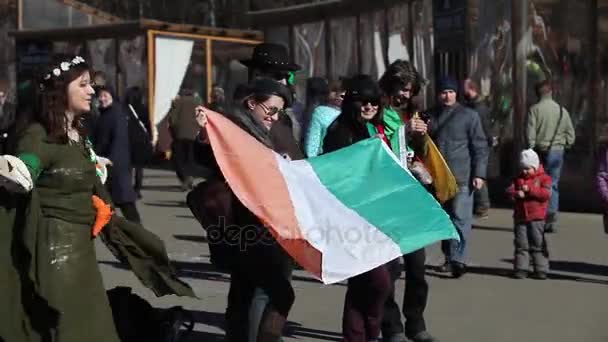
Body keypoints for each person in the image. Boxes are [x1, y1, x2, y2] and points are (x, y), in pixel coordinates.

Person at [0, 55, 121, 342]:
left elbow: (78, 166)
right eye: (84, 84)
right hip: (55, 255)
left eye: (91, 84)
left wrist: (95, 170)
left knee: (95, 329)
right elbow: (25, 164)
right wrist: (17, 171)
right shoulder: (37, 134)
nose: (92, 90)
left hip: (82, 254)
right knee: (68, 330)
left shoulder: (77, 133)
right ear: (60, 90)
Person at [192, 78, 297, 342]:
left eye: (280, 112)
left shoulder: (258, 127)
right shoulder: (234, 127)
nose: (275, 117)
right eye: (271, 109)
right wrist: (205, 134)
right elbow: (208, 156)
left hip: (257, 226)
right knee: (275, 292)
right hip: (246, 226)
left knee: (246, 292)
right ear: (252, 103)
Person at [323, 75, 391, 342]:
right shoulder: (340, 131)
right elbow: (336, 175)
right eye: (364, 101)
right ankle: (367, 332)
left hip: (373, 215)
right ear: (352, 102)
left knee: (363, 285)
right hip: (351, 218)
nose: (370, 107)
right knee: (376, 282)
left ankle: (362, 335)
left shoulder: (368, 128)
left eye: (374, 102)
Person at [377, 60, 439, 342]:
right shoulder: (377, 112)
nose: (405, 95)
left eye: (410, 90)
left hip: (412, 195)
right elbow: (378, 147)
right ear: (390, 85)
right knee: (389, 267)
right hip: (385, 197)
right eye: (402, 88)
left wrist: (421, 136)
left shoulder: (411, 112)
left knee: (417, 265)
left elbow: (422, 151)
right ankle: (391, 327)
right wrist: (402, 133)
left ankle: (416, 320)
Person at [429, 77, 488, 278]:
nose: (447, 96)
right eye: (444, 92)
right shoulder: (430, 116)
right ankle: (449, 256)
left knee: (460, 218)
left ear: (456, 94)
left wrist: (479, 173)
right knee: (445, 220)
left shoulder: (469, 116)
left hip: (462, 176)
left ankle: (458, 260)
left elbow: (480, 146)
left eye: (451, 92)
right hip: (438, 178)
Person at [526, 80, 575, 233]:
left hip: (540, 151)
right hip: (557, 151)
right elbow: (571, 136)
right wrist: (564, 145)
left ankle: (538, 216)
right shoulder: (562, 111)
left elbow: (530, 135)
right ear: (551, 93)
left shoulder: (534, 110)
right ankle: (551, 215)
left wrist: (531, 148)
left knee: (538, 184)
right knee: (552, 183)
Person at [94, 85, 141, 223]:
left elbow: (119, 140)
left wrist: (111, 160)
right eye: (100, 96)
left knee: (125, 202)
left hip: (115, 164)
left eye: (105, 96)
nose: (102, 99)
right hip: (106, 164)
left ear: (112, 97)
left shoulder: (116, 114)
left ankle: (138, 232)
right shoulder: (104, 113)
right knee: (108, 203)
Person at [506, 149, 551, 279]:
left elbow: (546, 194)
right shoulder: (518, 179)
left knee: (538, 243)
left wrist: (530, 190)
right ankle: (521, 268)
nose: (525, 172)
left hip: (537, 217)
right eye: (523, 168)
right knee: (521, 244)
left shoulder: (544, 179)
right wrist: (515, 194)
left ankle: (541, 268)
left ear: (535, 166)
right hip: (520, 217)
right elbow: (509, 191)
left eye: (528, 169)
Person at [463, 78, 493, 218]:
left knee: (479, 173)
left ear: (470, 89)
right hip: (479, 141)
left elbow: (484, 126)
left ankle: (482, 205)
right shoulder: (474, 105)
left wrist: (488, 140)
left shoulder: (478, 107)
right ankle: (480, 204)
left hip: (479, 141)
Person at [167, 89, 202, 190]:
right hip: (194, 135)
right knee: (190, 158)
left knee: (178, 158)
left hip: (180, 134)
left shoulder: (178, 102)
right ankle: (189, 176)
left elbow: (172, 119)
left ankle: (184, 178)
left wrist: (174, 130)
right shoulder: (198, 102)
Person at [304, 78, 344, 157]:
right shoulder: (320, 111)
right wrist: (312, 159)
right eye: (334, 90)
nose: (338, 94)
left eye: (342, 91)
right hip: (323, 157)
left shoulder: (351, 112)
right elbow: (313, 139)